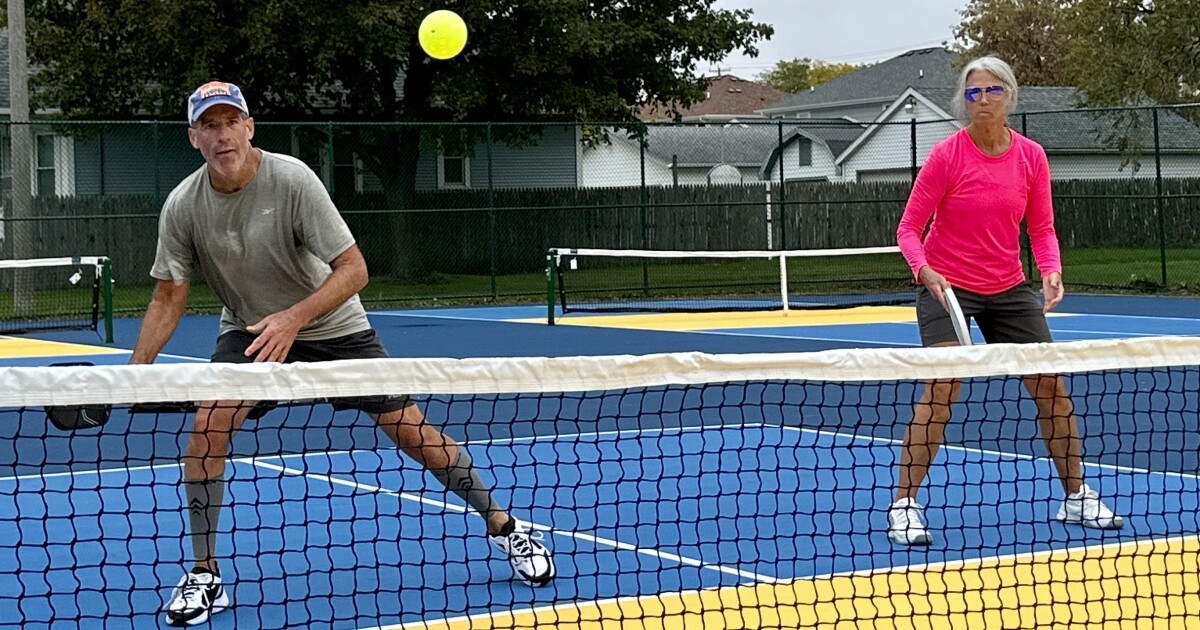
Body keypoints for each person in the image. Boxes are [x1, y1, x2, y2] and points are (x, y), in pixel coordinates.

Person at [130, 81, 555, 627]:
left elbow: (354, 270)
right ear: (194, 138)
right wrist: (130, 380)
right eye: (208, 125)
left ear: (249, 126)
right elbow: (168, 296)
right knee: (208, 430)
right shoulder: (183, 205)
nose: (221, 134)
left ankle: (506, 528)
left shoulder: (292, 180)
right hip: (252, 330)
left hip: (332, 324)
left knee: (412, 433)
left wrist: (294, 318)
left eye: (229, 121)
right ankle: (205, 575)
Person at [888, 57, 1123, 546]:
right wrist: (923, 270)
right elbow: (909, 229)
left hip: (1010, 288)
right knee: (942, 388)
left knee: (1050, 389)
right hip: (946, 287)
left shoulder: (1031, 157)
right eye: (973, 94)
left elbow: (1041, 228)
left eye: (992, 91)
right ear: (963, 101)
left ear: (1010, 97)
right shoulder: (946, 156)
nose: (982, 101)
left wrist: (1052, 270)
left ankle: (1075, 496)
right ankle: (904, 505)